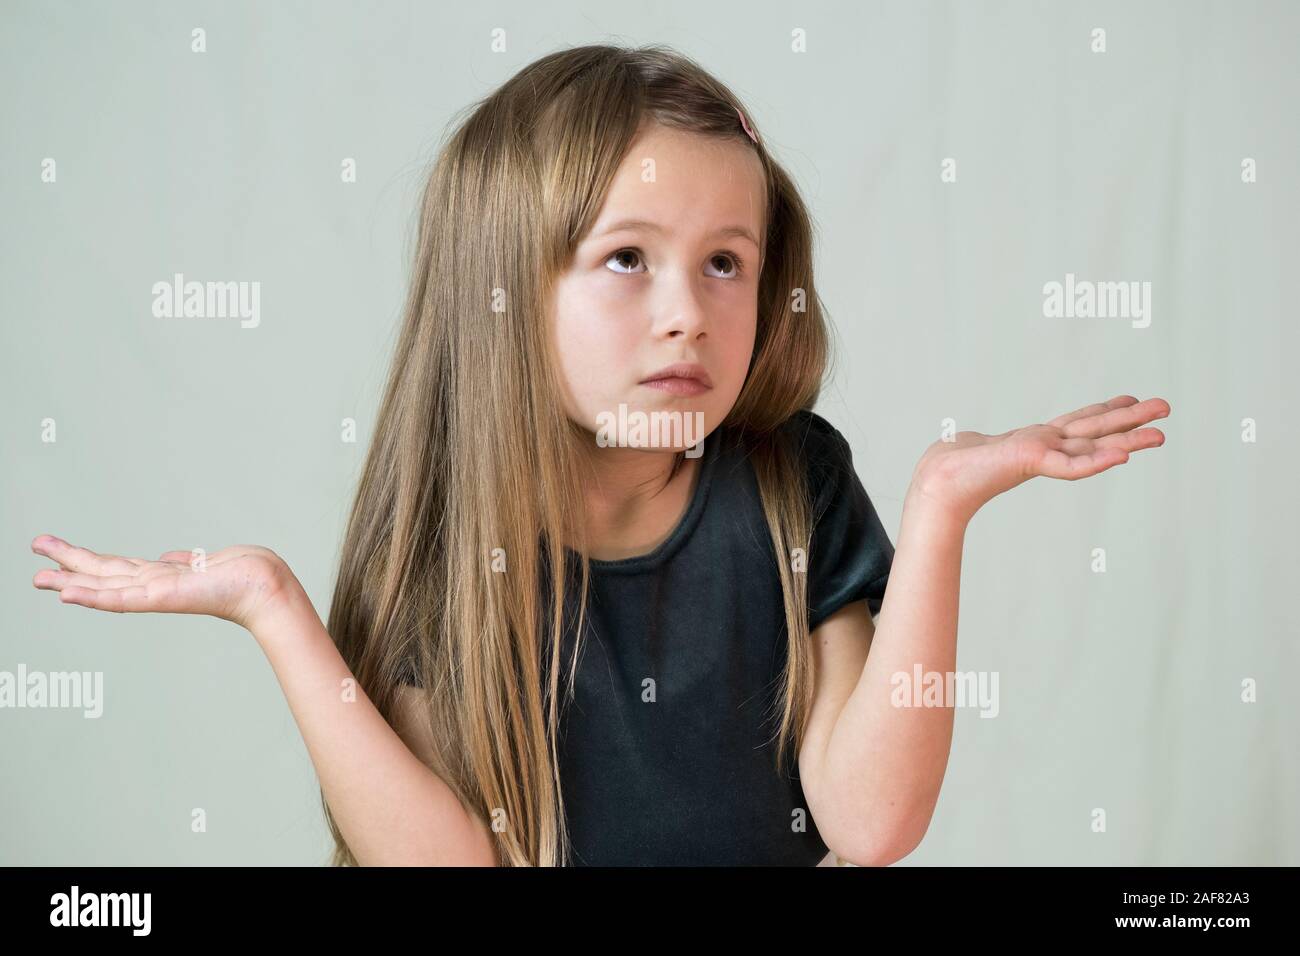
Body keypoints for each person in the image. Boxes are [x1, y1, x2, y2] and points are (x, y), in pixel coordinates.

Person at [30, 43, 1170, 867]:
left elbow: (869, 822)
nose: (688, 312)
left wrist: (939, 508)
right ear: (502, 293)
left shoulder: (792, 484)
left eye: (727, 261)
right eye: (628, 258)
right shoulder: (445, 546)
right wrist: (273, 607)